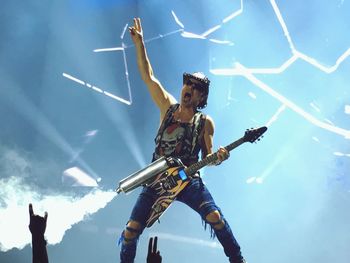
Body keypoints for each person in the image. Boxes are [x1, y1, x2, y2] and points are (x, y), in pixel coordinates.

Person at [119, 17, 245, 263]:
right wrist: (140, 44)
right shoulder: (167, 106)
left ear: (201, 97)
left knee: (215, 218)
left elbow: (210, 157)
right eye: (187, 82)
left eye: (196, 87)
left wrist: (220, 157)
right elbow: (148, 76)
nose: (189, 87)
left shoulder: (205, 122)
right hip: (157, 179)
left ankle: (237, 259)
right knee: (131, 230)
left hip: (189, 180)